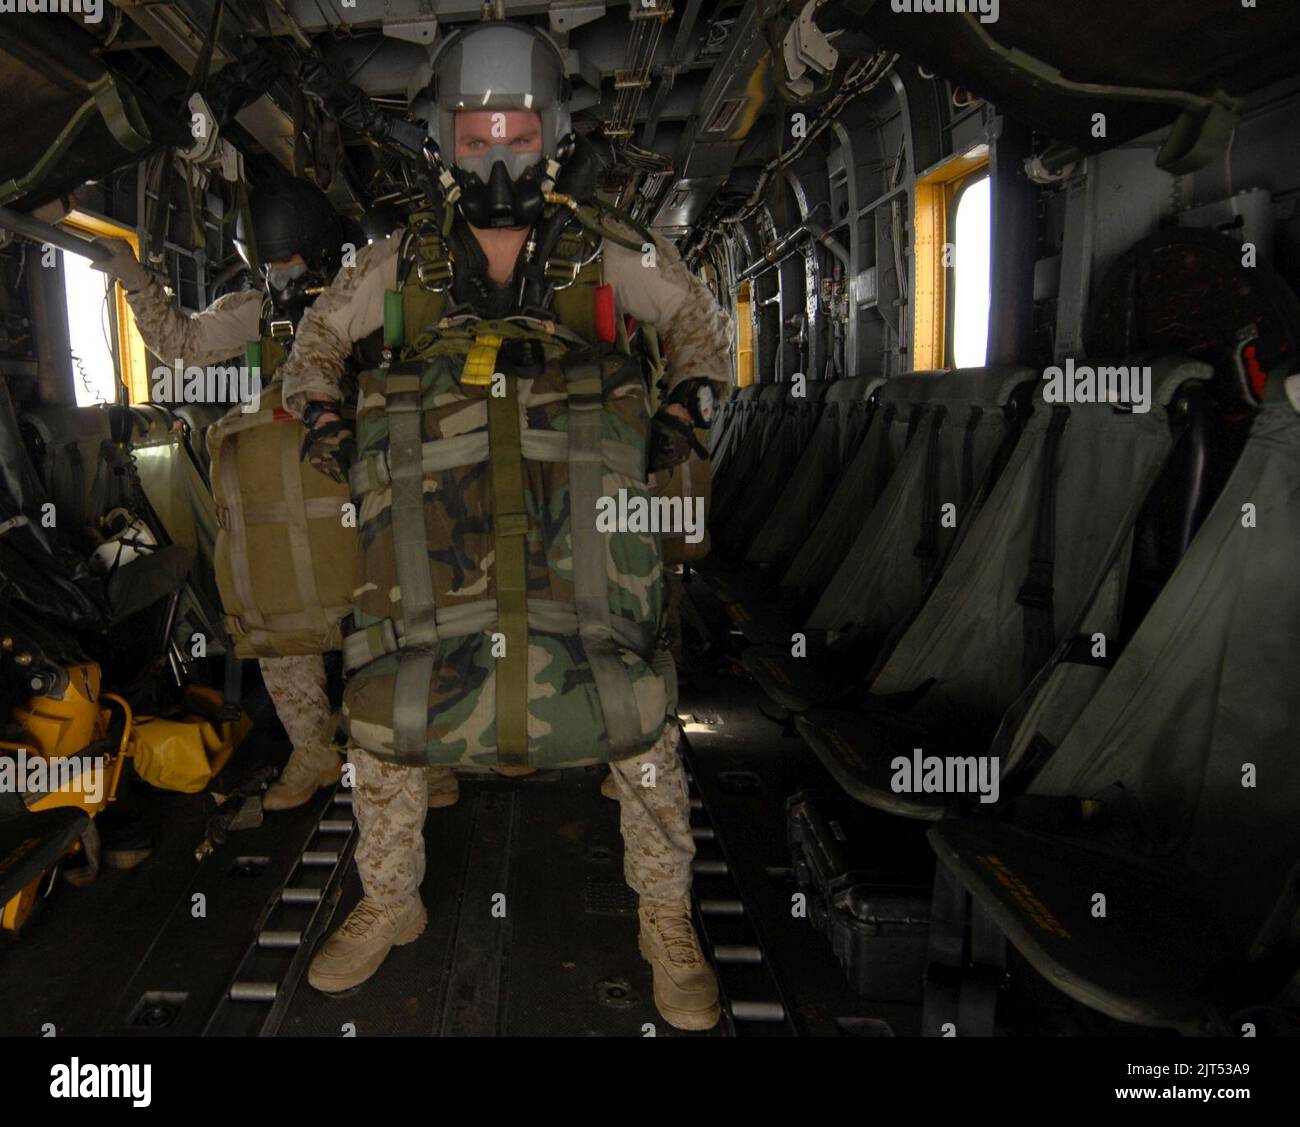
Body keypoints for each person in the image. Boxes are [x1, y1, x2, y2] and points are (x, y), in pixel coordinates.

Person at [280, 20, 733, 1030]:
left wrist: (680, 413)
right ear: (443, 137)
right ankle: (389, 897)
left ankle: (665, 916)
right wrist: (326, 426)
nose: (497, 154)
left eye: (519, 133)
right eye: (477, 133)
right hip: (436, 533)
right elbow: (314, 346)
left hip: (582, 529)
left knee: (636, 700)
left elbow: (699, 326)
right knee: (389, 693)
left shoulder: (606, 250)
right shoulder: (399, 263)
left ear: (555, 133)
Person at [92, 178, 461, 812]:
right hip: (285, 498)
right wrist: (134, 278)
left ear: (318, 254)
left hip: (368, 484)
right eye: (268, 264)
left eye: (289, 261)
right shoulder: (253, 311)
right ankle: (314, 751)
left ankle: (422, 755)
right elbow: (181, 344)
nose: (280, 275)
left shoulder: (372, 298)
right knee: (275, 621)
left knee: (399, 617)